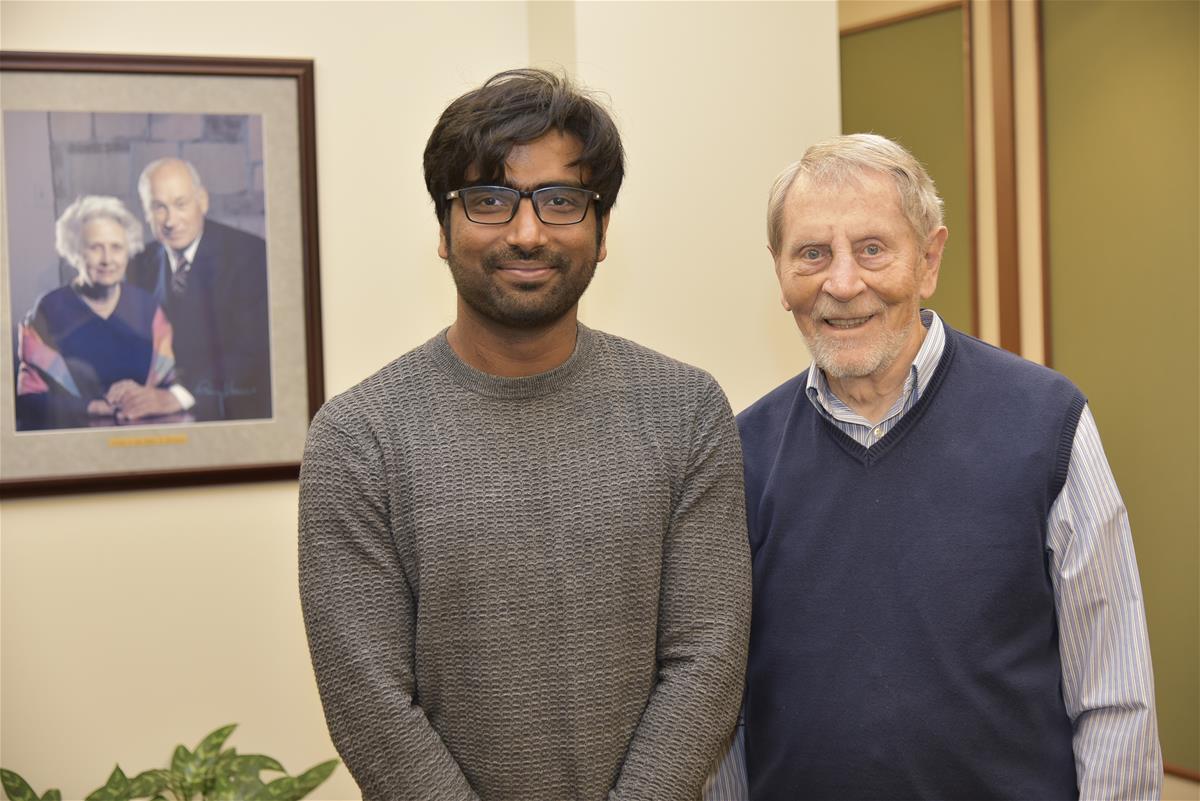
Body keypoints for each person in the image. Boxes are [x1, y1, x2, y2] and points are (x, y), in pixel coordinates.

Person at [298, 69, 750, 801]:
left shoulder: (686, 409)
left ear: (603, 233)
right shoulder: (358, 436)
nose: (527, 232)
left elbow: (708, 658)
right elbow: (369, 701)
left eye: (562, 201)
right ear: (443, 231)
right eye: (490, 200)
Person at [733, 133, 1161, 800]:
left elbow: (1114, 698)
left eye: (873, 249)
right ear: (780, 274)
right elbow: (719, 715)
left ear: (928, 260)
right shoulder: (740, 455)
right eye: (812, 254)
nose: (842, 283)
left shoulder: (1048, 424)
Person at [16, 195, 185, 430]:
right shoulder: (48, 311)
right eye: (95, 248)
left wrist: (146, 397)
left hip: (144, 436)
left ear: (128, 251)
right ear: (75, 252)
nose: (107, 260)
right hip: (75, 442)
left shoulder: (148, 309)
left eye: (116, 247)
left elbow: (174, 383)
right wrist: (93, 407)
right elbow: (28, 400)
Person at [128, 157, 271, 421]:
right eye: (159, 207)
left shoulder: (250, 256)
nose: (171, 220)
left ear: (202, 201)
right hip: (159, 420)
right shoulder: (136, 264)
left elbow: (251, 351)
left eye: (180, 204)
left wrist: (179, 395)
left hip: (233, 415)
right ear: (145, 211)